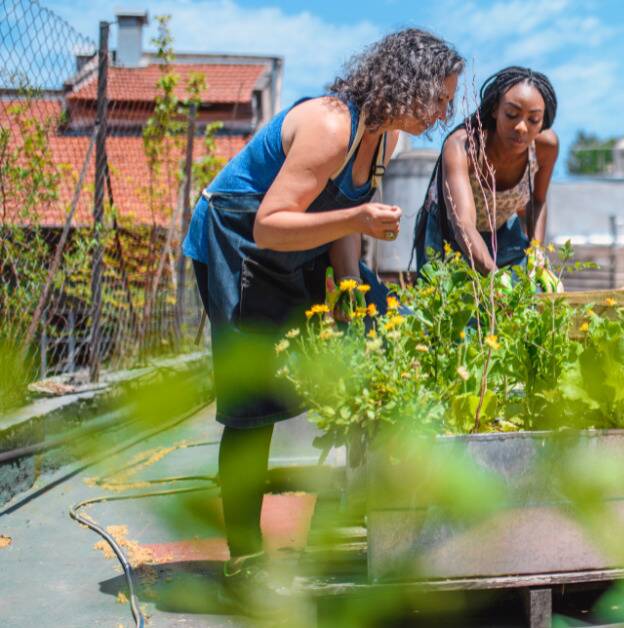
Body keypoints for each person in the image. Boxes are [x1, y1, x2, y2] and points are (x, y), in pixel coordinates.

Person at [179, 29, 463, 615]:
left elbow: (339, 230)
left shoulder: (381, 142)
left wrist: (358, 294)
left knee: (371, 336)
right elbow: (269, 223)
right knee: (252, 406)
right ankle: (246, 560)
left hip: (291, 251)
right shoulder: (333, 125)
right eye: (439, 97)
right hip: (240, 243)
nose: (444, 113)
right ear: (407, 82)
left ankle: (361, 514)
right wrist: (359, 216)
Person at [414, 66, 559, 276]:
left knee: (527, 294)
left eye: (533, 120)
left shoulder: (546, 146)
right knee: (447, 304)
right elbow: (463, 223)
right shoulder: (464, 146)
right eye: (511, 114)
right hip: (449, 231)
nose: (521, 127)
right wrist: (495, 279)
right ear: (494, 110)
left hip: (500, 227)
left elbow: (537, 202)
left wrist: (537, 250)